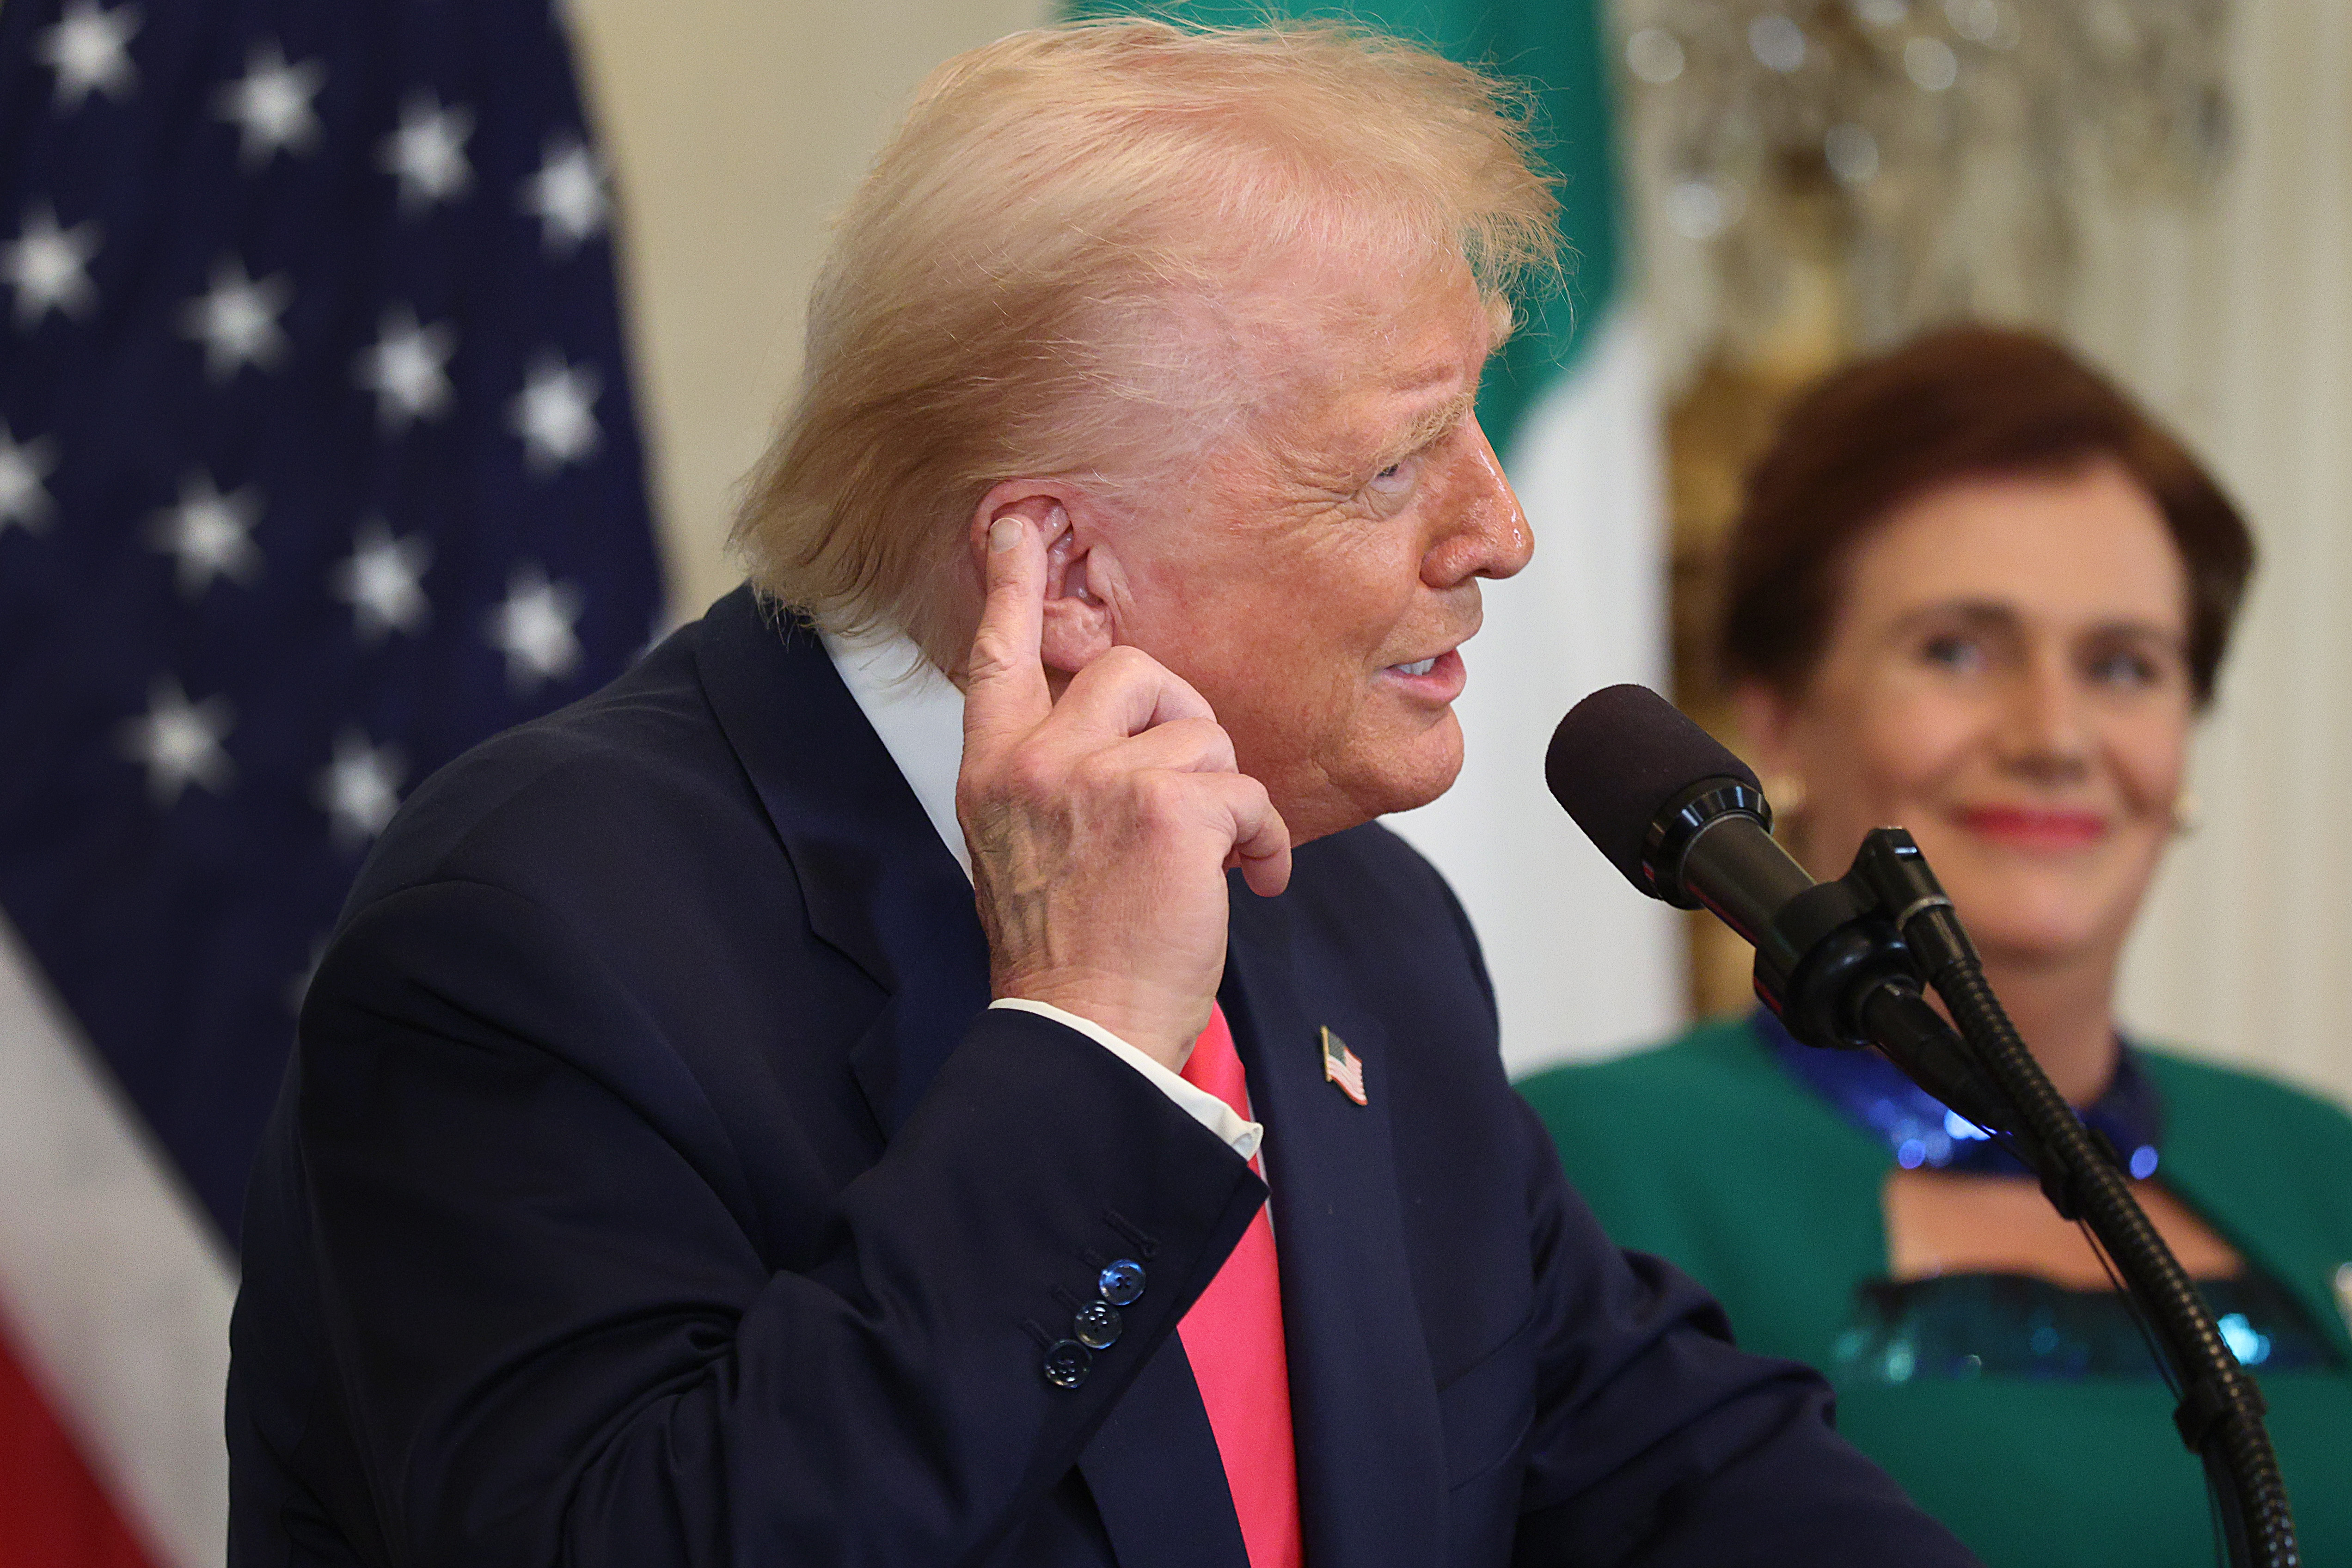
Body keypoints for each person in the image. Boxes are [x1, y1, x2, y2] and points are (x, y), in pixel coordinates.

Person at [225, 22, 1978, 1567]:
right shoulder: (539, 932)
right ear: (1061, 568)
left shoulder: (1360, 912)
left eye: (1480, 426)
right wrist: (1087, 1049)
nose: (1499, 535)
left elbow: (1656, 1461)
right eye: (1394, 462)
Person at [1520, 325, 2352, 1568]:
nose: (2056, 735)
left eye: (2125, 666)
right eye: (1958, 650)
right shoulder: (1584, 1167)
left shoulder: (2317, 1159)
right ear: (1780, 721)